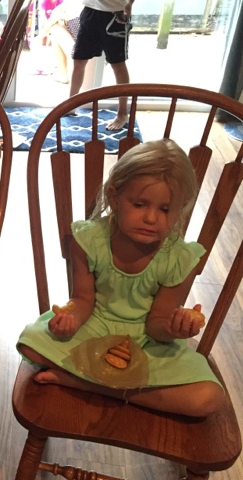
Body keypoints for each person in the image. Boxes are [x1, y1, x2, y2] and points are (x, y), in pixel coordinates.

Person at [17, 139, 225, 418]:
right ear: (114, 198)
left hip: (148, 341)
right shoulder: (89, 239)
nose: (151, 218)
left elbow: (156, 324)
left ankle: (88, 384)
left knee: (208, 398)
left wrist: (174, 329)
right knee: (29, 342)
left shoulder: (180, 258)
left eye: (165, 209)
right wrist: (70, 321)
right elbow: (82, 299)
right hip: (93, 326)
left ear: (181, 208)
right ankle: (126, 389)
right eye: (139, 204)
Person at [69, 0, 135, 130]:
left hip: (115, 14)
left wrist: (129, 4)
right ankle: (70, 106)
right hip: (90, 10)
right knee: (79, 60)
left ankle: (122, 114)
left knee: (118, 64)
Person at [40, 0, 83, 83]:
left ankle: (64, 74)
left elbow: (50, 22)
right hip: (100, 34)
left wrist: (41, 36)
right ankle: (64, 74)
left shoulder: (69, 4)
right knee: (58, 26)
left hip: (82, 45)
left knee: (54, 28)